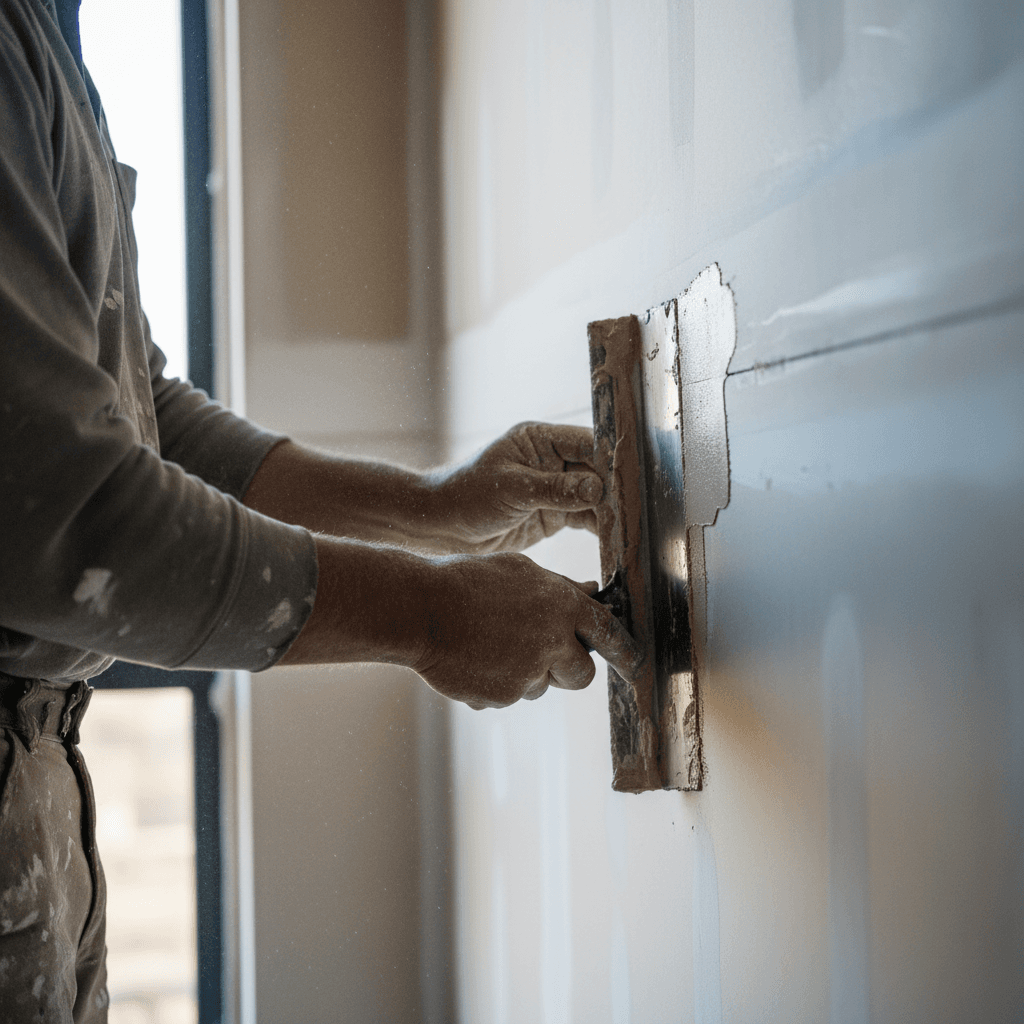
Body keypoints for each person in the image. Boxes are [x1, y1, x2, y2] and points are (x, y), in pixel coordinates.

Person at [0, 0, 641, 1020]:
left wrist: (437, 510)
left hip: (40, 782)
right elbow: (66, 513)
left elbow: (140, 417)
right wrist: (428, 615)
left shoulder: (46, 36)